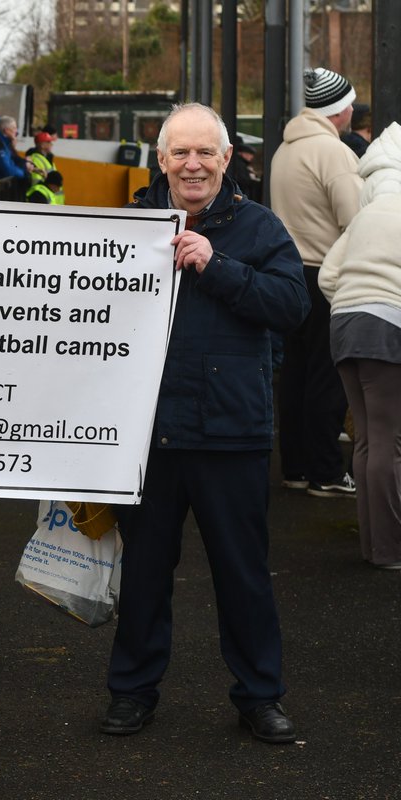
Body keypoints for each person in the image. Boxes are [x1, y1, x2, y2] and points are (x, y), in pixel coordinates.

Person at [100, 103, 308, 744]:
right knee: (143, 576)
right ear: (160, 159)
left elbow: (292, 305)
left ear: (226, 158)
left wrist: (217, 266)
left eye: (205, 153)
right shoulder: (128, 226)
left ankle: (260, 696)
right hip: (148, 436)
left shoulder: (259, 227)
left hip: (231, 433)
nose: (193, 165)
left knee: (243, 576)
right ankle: (131, 692)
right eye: (181, 153)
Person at [270, 67, 363, 498]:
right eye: (349, 104)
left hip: (288, 272)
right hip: (325, 275)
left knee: (295, 373)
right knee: (328, 375)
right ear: (339, 110)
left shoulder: (284, 150)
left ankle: (294, 467)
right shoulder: (334, 152)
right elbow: (355, 220)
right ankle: (326, 471)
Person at [318, 122, 401, 570]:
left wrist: (355, 302)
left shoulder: (364, 216)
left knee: (368, 441)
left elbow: (327, 276)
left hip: (345, 327)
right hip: (384, 329)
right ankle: (390, 550)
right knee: (389, 442)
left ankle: (375, 547)